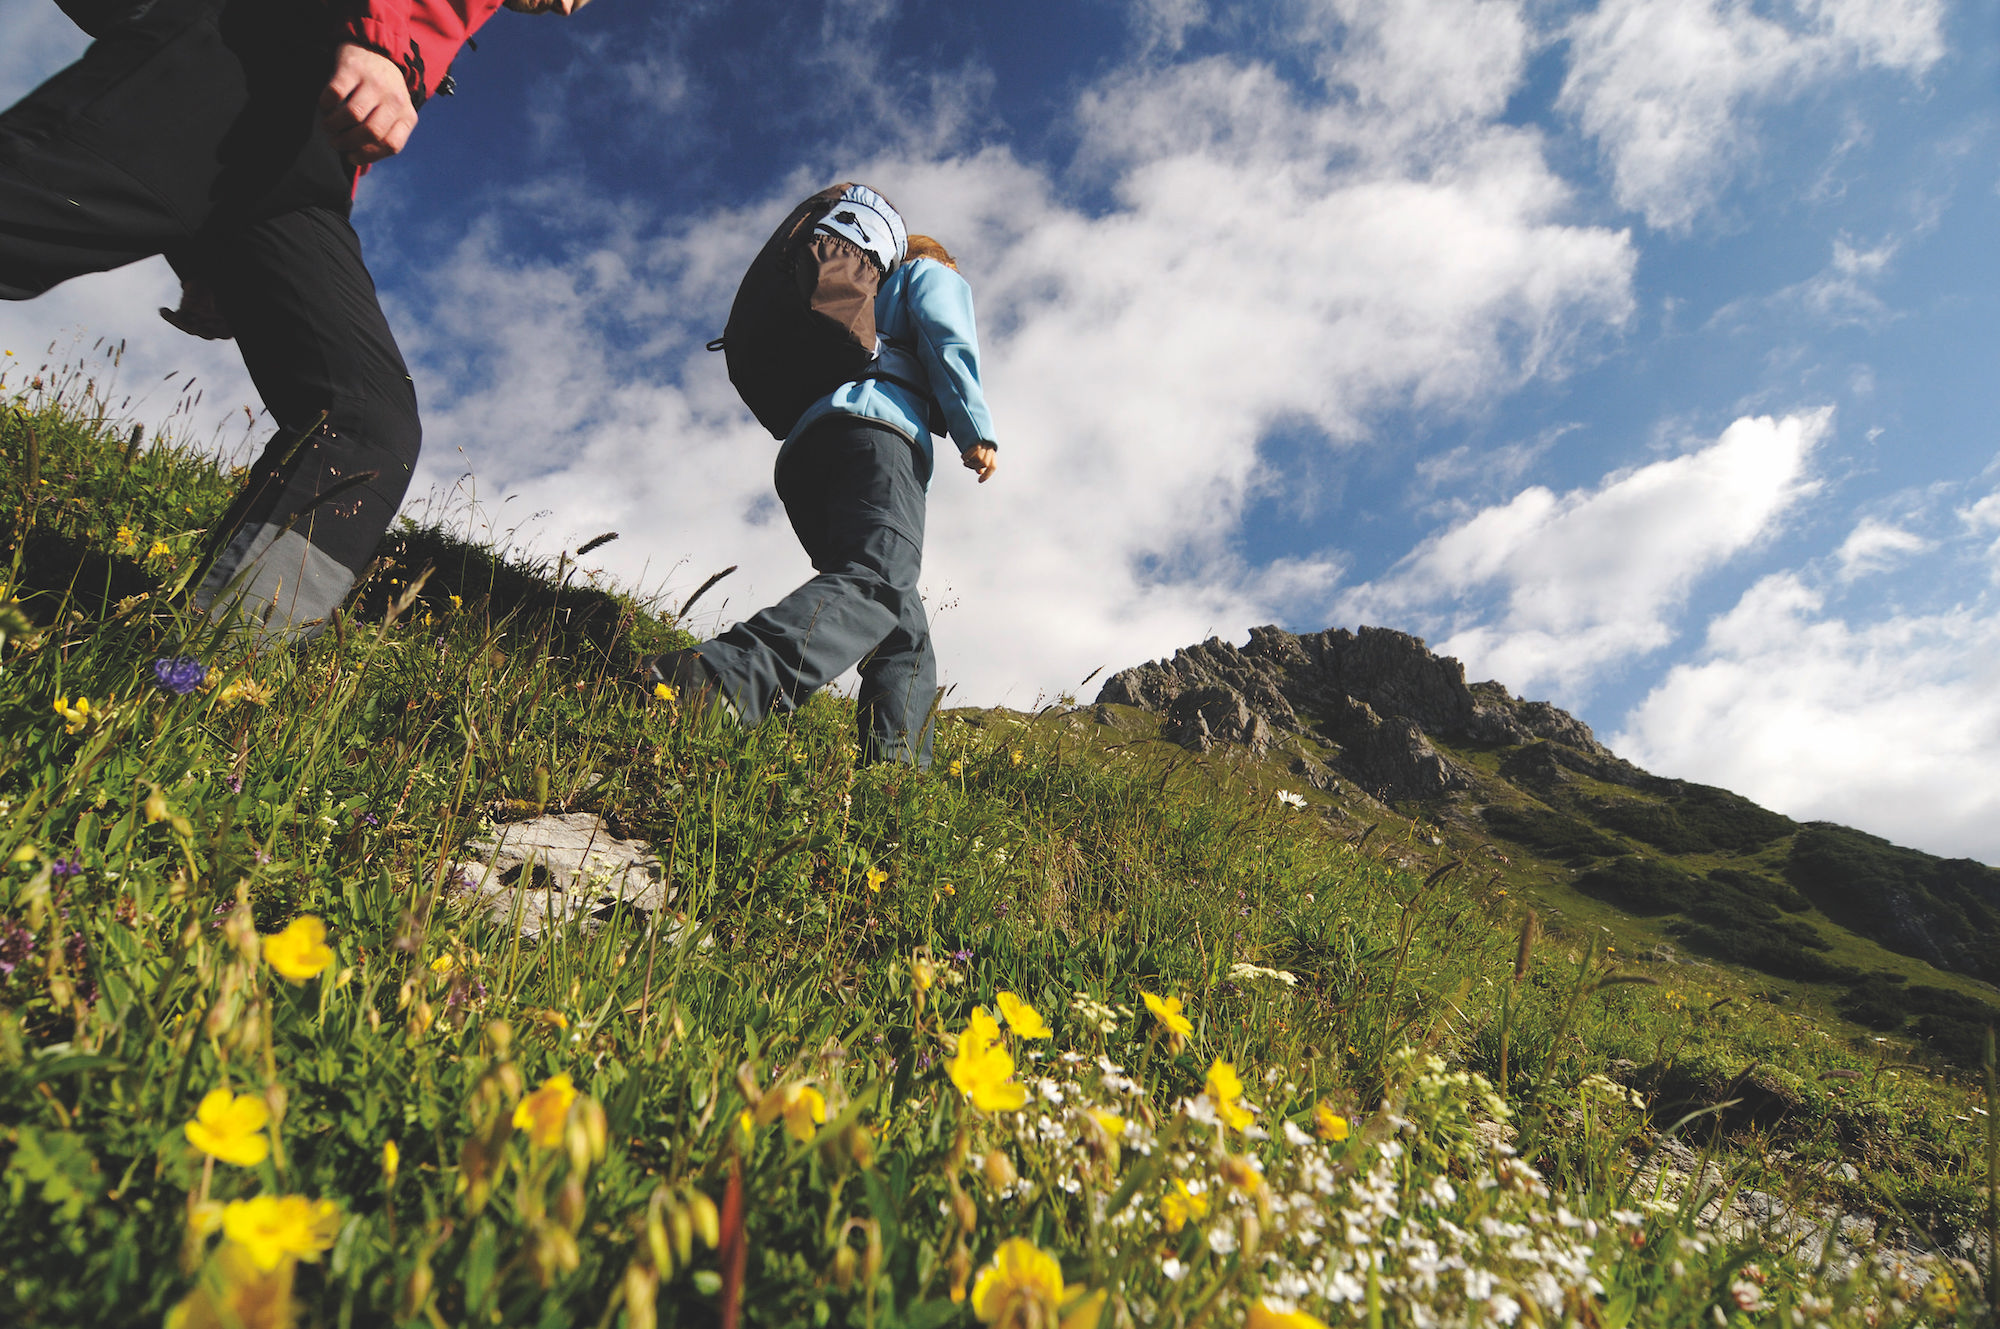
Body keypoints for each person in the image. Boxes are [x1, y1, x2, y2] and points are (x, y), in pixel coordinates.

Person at [1, 0, 592, 641]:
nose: (572, 7)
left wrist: (216, 257)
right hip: (253, 54)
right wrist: (380, 41)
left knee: (365, 423)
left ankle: (205, 673)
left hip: (302, 168)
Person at [653, 234, 1000, 769]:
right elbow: (946, 339)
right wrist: (974, 429)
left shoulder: (857, 302)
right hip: (877, 433)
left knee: (902, 630)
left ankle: (895, 774)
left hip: (808, 453)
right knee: (879, 580)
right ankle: (718, 678)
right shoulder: (926, 273)